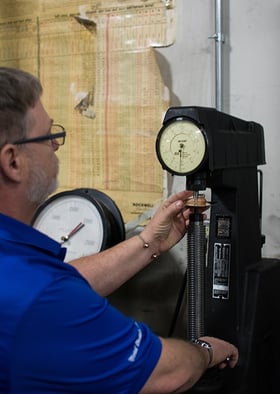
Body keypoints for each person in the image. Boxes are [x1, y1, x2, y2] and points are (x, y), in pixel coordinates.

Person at [0, 67, 238, 393]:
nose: (56, 144)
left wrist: (147, 242)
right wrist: (207, 352)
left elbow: (63, 282)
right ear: (13, 162)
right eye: (47, 135)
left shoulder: (18, 264)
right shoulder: (40, 298)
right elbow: (167, 373)